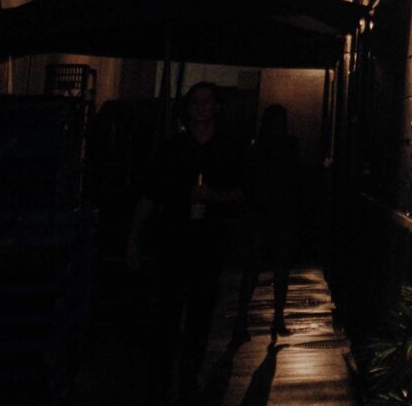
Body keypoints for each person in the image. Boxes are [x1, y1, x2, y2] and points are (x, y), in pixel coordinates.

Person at [129, 82, 248, 394]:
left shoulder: (228, 148)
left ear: (216, 108)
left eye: (206, 101)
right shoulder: (172, 149)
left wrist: (214, 196)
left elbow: (243, 193)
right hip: (172, 243)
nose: (200, 107)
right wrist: (135, 239)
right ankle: (161, 377)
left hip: (208, 246)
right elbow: (149, 195)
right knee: (167, 314)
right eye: (194, 101)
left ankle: (189, 372)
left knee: (200, 314)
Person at [238, 105, 305, 338]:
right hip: (276, 214)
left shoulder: (260, 149)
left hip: (264, 214)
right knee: (277, 268)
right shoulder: (286, 147)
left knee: (258, 268)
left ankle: (246, 318)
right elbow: (295, 179)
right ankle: (275, 317)